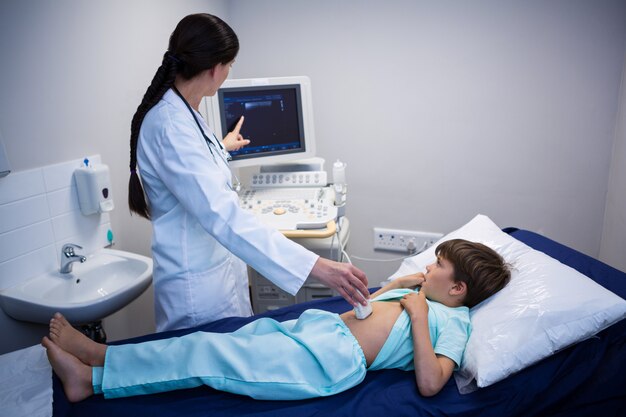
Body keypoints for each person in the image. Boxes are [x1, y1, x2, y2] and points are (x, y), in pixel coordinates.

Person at [127, 13, 368, 331]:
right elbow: (222, 214)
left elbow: (192, 173)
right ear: (216, 68)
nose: (227, 73)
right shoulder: (170, 124)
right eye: (230, 65)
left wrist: (222, 147)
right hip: (196, 293)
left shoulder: (185, 112)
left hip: (217, 277)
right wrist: (316, 266)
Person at [43, 239, 511, 402]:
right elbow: (370, 306)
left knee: (209, 353)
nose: (427, 269)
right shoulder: (419, 290)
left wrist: (418, 309)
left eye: (436, 268)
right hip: (319, 330)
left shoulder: (453, 321)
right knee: (213, 339)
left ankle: (96, 375)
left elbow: (430, 382)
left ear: (457, 290)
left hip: (330, 361)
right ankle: (105, 360)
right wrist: (399, 287)